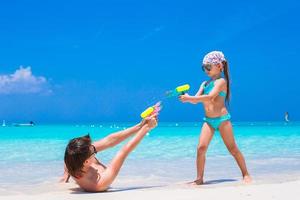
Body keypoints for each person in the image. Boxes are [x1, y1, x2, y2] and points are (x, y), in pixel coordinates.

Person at [179, 51, 251, 184]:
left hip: (222, 120)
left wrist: (190, 98)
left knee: (233, 149)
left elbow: (210, 97)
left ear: (219, 66)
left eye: (208, 67)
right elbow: (196, 100)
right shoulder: (204, 84)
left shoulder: (221, 82)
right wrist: (187, 98)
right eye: (204, 68)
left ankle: (246, 174)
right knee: (201, 148)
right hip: (208, 121)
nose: (206, 70)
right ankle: (199, 179)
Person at [61, 115, 158, 192]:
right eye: (93, 151)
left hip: (73, 166)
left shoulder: (72, 159)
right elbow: (124, 151)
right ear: (86, 162)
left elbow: (109, 141)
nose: (94, 149)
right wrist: (146, 128)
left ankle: (65, 177)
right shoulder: (100, 183)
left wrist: (139, 126)